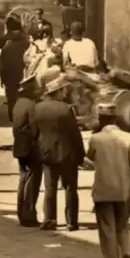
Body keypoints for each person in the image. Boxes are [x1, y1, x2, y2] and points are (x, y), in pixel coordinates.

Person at [86, 105, 130, 258]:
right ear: (116, 119)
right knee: (122, 225)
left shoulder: (96, 139)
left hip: (104, 190)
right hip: (124, 190)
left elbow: (90, 157)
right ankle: (127, 252)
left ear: (101, 119)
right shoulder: (129, 138)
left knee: (107, 230)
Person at [32, 73, 85, 231]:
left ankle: (50, 219)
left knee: (50, 188)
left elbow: (34, 133)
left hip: (47, 153)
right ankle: (71, 221)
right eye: (63, 90)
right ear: (58, 92)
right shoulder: (66, 109)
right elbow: (75, 134)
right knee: (70, 188)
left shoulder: (38, 108)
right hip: (67, 154)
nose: (65, 93)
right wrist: (81, 154)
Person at [12, 76, 42, 227]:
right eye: (36, 89)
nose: (38, 91)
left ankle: (21, 212)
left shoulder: (18, 104)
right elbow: (35, 128)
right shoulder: (31, 106)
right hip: (30, 148)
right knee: (32, 182)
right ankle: (29, 215)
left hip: (19, 147)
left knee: (23, 180)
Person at [0, 16, 30, 122]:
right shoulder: (26, 42)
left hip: (9, 75)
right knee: (22, 95)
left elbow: (2, 63)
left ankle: (12, 116)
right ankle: (22, 116)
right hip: (23, 73)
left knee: (11, 96)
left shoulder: (6, 47)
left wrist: (2, 78)